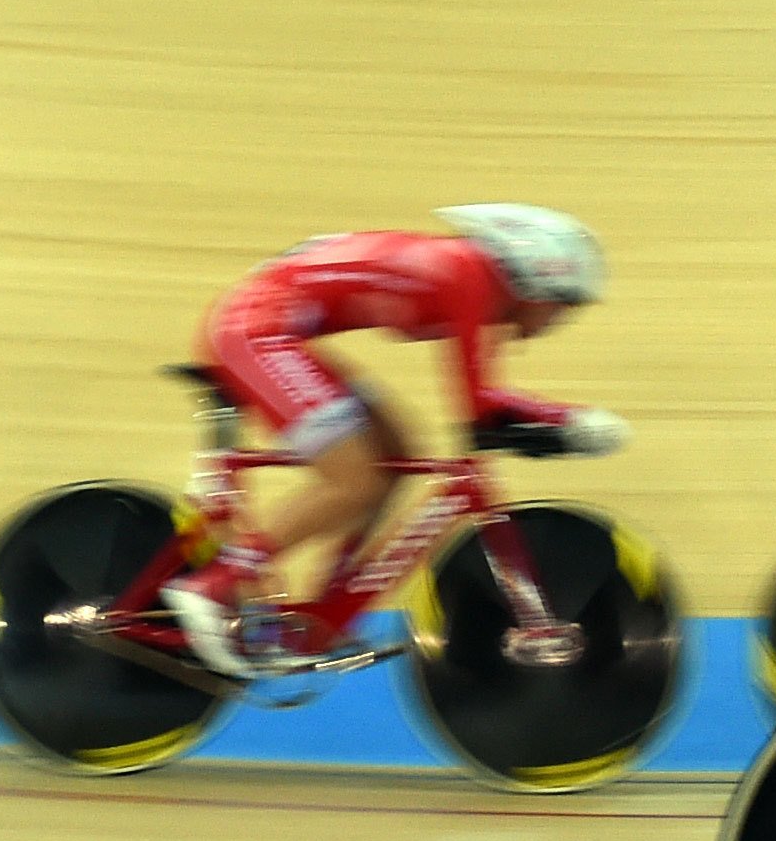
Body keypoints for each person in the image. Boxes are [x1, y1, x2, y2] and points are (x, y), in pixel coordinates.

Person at [163, 205, 626, 676]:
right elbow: (478, 408)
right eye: (563, 303)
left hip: (275, 328)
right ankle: (213, 583)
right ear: (535, 277)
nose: (560, 319)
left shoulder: (473, 280)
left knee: (395, 455)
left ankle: (322, 615)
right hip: (255, 331)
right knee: (354, 482)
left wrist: (556, 427)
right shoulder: (469, 274)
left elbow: (485, 412)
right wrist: (572, 421)